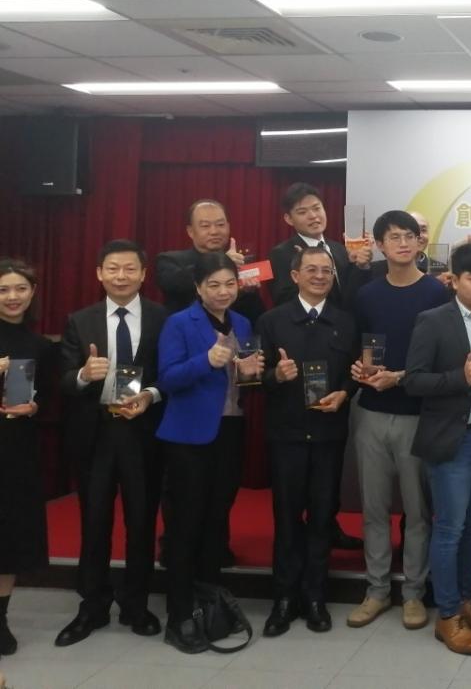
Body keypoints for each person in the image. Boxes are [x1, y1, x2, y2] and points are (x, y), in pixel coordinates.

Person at [56, 240, 167, 648]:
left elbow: (170, 373)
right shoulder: (79, 320)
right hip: (97, 432)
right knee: (94, 520)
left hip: (143, 431)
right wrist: (84, 375)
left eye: (130, 268)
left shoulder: (162, 318)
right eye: (113, 269)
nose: (122, 276)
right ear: (100, 274)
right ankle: (93, 605)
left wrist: (150, 394)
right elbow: (63, 379)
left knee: (141, 520)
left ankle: (136, 605)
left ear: (144, 274)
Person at [406, 241, 471, 656]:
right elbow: (414, 380)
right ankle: (447, 614)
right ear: (454, 280)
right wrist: (459, 378)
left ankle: (466, 601)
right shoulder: (433, 321)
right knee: (450, 528)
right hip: (453, 439)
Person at [156, 252, 264, 654]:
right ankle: (179, 615)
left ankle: (209, 607)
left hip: (229, 431)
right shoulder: (179, 323)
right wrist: (206, 361)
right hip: (188, 437)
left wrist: (250, 374)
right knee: (186, 526)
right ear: (198, 288)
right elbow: (168, 378)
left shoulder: (243, 323)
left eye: (229, 284)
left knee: (215, 522)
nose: (223, 292)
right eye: (214, 285)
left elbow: (242, 381)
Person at [346, 210, 447, 631]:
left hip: (416, 416)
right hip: (371, 412)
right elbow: (359, 347)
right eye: (393, 237)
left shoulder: (436, 293)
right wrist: (361, 369)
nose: (403, 243)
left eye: (409, 236)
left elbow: (443, 358)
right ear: (379, 245)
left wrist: (400, 377)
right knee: (373, 509)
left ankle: (413, 593)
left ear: (420, 242)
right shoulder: (366, 295)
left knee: (418, 512)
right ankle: (376, 590)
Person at [258, 245, 356, 636]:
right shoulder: (272, 321)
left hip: (329, 436)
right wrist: (275, 376)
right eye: (311, 270)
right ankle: (283, 598)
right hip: (287, 436)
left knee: (321, 517)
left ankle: (315, 596)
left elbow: (353, 373)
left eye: (326, 271)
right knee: (286, 518)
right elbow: (252, 377)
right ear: (295, 276)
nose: (319, 276)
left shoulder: (345, 322)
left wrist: (345, 392)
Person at [0, 258, 55, 660]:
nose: (12, 297)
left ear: (33, 292)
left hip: (16, 450)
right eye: (3, 289)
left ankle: (0, 619)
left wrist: (35, 408)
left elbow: (47, 399)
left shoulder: (39, 345)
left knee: (10, 537)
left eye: (20, 289)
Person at [155, 199, 266, 323]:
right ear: (190, 231)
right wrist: (220, 262)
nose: (214, 231)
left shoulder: (239, 262)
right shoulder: (170, 260)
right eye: (205, 226)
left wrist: (248, 292)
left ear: (228, 227)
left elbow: (257, 318)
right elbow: (175, 284)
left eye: (220, 225)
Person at [266, 182, 372, 311]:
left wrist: (360, 265)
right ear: (289, 219)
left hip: (345, 321)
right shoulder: (281, 254)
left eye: (317, 208)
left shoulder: (340, 249)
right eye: (302, 212)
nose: (313, 216)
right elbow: (283, 301)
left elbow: (351, 296)